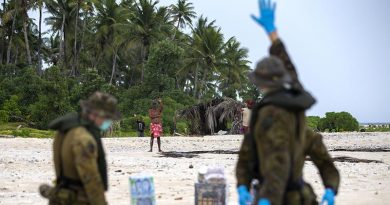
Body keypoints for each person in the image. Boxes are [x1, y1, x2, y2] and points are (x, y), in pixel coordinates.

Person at [235, 1, 340, 205]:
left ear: (262, 84)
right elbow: (319, 152)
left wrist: (265, 198)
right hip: (300, 195)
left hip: (277, 197)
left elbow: (277, 163)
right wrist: (330, 185)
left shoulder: (272, 113)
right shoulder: (296, 104)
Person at [39, 91, 120, 205]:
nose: (108, 121)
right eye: (107, 117)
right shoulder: (84, 139)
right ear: (96, 114)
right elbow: (91, 180)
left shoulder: (64, 131)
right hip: (78, 200)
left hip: (60, 197)